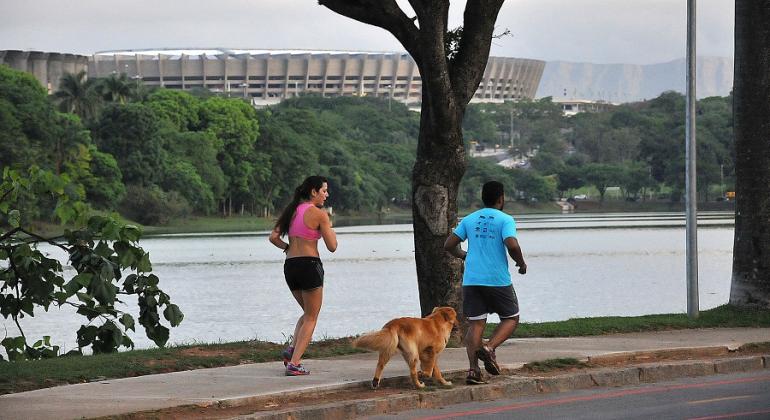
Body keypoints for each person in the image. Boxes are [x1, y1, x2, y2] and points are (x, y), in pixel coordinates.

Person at [443, 180, 527, 385]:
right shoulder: (505, 219)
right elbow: (512, 244)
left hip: (472, 281)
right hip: (497, 280)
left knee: (476, 324)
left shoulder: (470, 219)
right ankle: (489, 348)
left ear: (483, 198)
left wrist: (465, 256)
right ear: (501, 198)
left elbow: (449, 245)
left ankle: (473, 371)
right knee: (511, 318)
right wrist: (521, 262)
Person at [269, 176, 337, 376]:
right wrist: (329, 226)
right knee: (311, 316)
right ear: (314, 192)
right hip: (310, 265)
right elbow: (332, 247)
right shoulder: (320, 214)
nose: (326, 194)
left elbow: (273, 237)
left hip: (290, 266)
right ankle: (295, 363)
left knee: (308, 313)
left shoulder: (291, 211)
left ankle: (291, 350)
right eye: (324, 190)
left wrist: (288, 247)